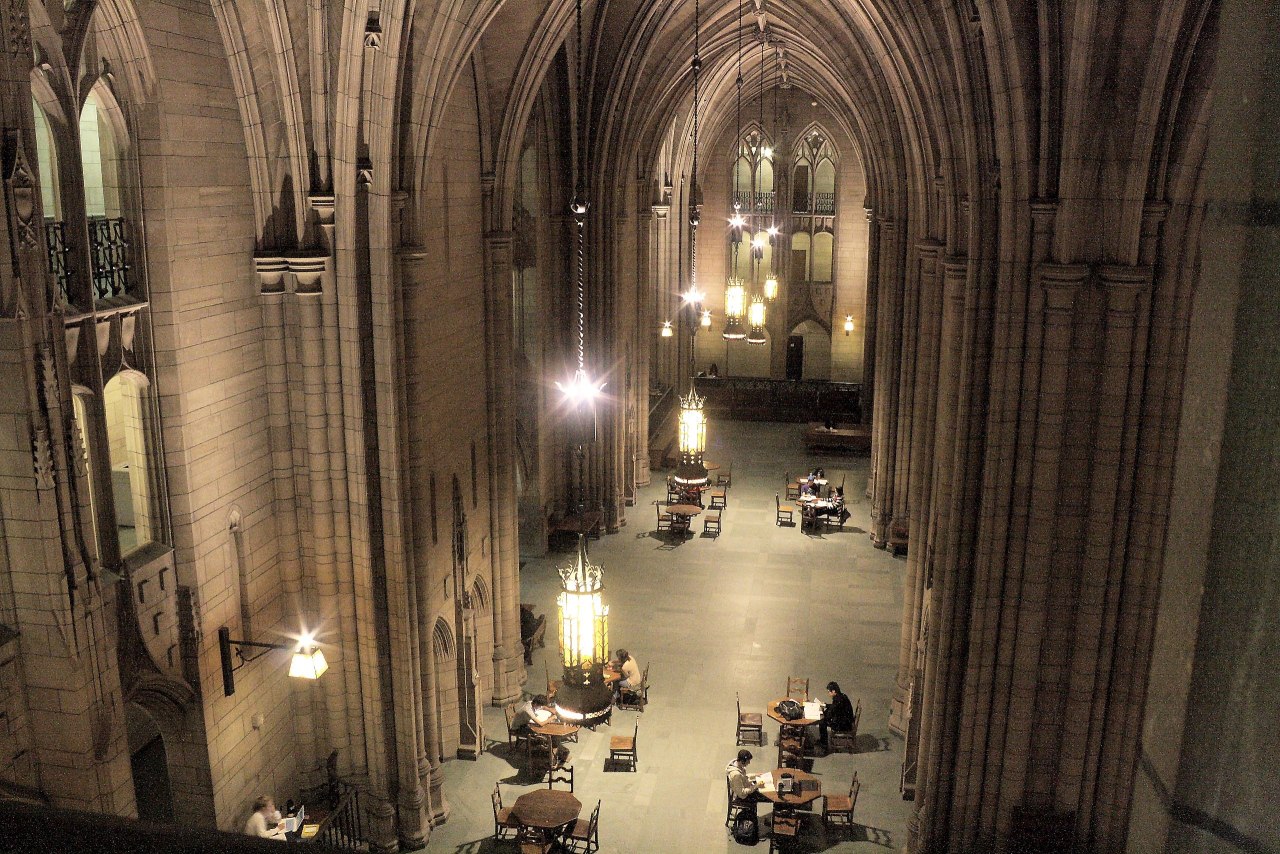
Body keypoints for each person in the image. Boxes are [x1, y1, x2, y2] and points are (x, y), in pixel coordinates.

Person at [818, 681, 855, 749]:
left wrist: (823, 714)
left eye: (829, 691)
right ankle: (823, 741)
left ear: (834, 691)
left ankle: (823, 743)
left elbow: (831, 712)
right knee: (825, 719)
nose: (828, 693)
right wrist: (825, 705)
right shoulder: (841, 696)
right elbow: (833, 707)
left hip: (844, 725)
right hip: (846, 721)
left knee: (822, 722)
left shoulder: (837, 700)